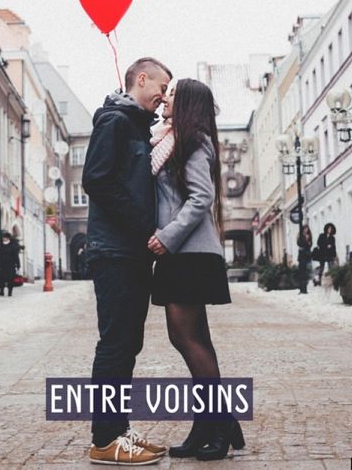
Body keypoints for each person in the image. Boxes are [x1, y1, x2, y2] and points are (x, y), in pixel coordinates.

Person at [148, 78, 245, 462]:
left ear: (187, 102)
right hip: (183, 253)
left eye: (172, 94)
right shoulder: (170, 140)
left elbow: (201, 197)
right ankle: (211, 423)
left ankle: (218, 424)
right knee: (195, 340)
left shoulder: (194, 141)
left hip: (188, 252)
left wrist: (167, 236)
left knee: (187, 339)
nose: (165, 98)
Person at [82, 58, 172, 466]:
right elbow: (96, 179)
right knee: (116, 344)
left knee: (128, 344)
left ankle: (119, 430)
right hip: (114, 251)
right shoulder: (115, 122)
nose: (164, 97)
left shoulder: (136, 126)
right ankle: (105, 439)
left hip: (131, 251)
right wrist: (142, 224)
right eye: (162, 87)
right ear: (142, 79)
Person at [0, 231, 21, 297]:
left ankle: (10, 292)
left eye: (5, 237)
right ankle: (1, 291)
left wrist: (18, 265)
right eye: (3, 237)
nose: (4, 238)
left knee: (10, 279)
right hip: (1, 265)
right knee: (1, 279)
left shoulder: (12, 246)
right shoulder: (0, 245)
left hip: (10, 265)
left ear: (8, 238)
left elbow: (16, 256)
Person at [297, 225, 312, 294]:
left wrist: (308, 241)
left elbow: (310, 245)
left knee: (306, 273)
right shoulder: (300, 236)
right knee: (301, 273)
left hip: (307, 256)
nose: (306, 230)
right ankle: (301, 289)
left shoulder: (309, 236)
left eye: (307, 229)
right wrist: (306, 241)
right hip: (301, 256)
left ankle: (305, 289)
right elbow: (300, 244)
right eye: (305, 229)